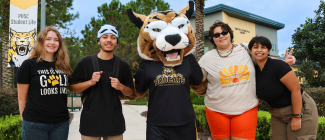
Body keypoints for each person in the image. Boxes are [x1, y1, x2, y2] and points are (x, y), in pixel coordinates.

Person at [192, 21, 296, 140]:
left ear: (230, 34)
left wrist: (283, 61)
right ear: (212, 39)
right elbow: (196, 79)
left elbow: (264, 58)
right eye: (216, 35)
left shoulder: (245, 48)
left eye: (224, 32)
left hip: (246, 108)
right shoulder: (207, 58)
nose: (221, 36)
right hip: (216, 110)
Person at [69, 24, 134, 140]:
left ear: (117, 42)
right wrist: (90, 82)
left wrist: (120, 86)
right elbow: (72, 88)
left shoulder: (123, 65)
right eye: (105, 37)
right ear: (99, 41)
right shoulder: (86, 62)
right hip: (90, 121)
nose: (109, 40)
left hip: (114, 122)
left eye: (113, 37)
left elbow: (130, 92)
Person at [248, 36, 318, 140]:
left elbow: (296, 89)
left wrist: (297, 117)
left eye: (263, 47)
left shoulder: (278, 65)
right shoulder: (254, 70)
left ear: (268, 50)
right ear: (250, 50)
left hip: (300, 108)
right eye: (255, 47)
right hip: (277, 113)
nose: (259, 50)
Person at [17, 26, 72, 140]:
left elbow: (72, 87)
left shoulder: (63, 66)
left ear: (60, 44)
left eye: (56, 40)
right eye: (48, 39)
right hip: (35, 123)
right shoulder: (29, 65)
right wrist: (25, 120)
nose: (52, 42)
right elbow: (21, 98)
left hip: (61, 123)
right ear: (41, 41)